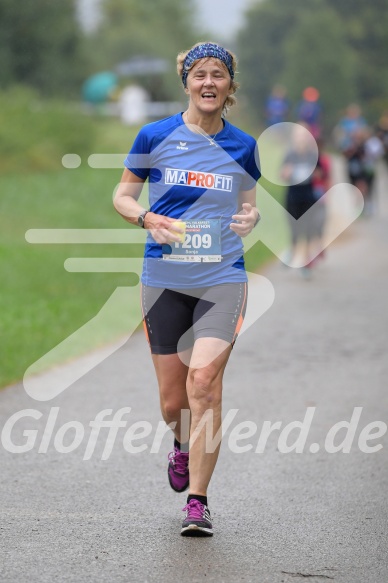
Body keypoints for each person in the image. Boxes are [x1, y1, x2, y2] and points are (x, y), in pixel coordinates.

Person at [113, 42, 261, 537]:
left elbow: (248, 206)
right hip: (165, 279)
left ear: (229, 85)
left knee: (204, 385)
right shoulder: (155, 135)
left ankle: (198, 501)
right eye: (200, 74)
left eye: (218, 74)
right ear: (187, 82)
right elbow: (123, 196)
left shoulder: (243, 145)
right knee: (173, 401)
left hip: (223, 277)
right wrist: (146, 217)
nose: (209, 83)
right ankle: (181, 443)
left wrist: (250, 217)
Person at [281, 123, 318, 278]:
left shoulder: (312, 154)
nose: (301, 138)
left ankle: (306, 262)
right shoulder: (289, 154)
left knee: (308, 229)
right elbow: (281, 174)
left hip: (308, 196)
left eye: (303, 135)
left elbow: (321, 173)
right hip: (292, 195)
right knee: (294, 227)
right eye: (298, 135)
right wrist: (287, 172)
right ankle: (293, 249)